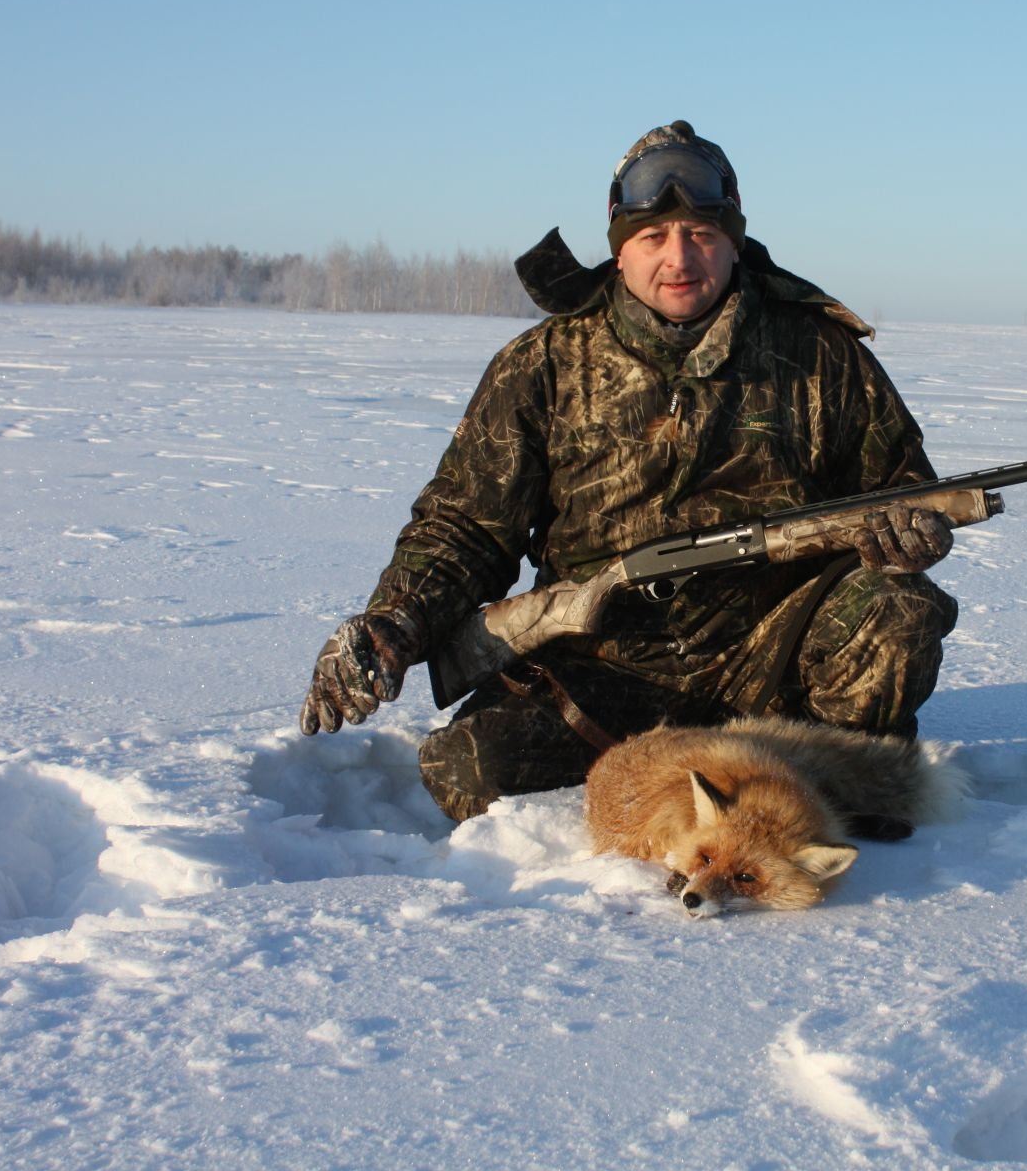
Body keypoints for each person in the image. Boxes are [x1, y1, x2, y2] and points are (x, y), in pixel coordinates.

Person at [299, 120, 958, 824]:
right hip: (606, 660)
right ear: (619, 251)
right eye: (653, 238)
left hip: (774, 653)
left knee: (897, 611)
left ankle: (813, 805)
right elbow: (465, 526)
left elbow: (904, 492)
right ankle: (714, 780)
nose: (679, 258)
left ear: (733, 240)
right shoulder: (543, 363)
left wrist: (911, 534)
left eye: (702, 234)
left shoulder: (823, 352)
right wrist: (393, 623)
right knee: (466, 771)